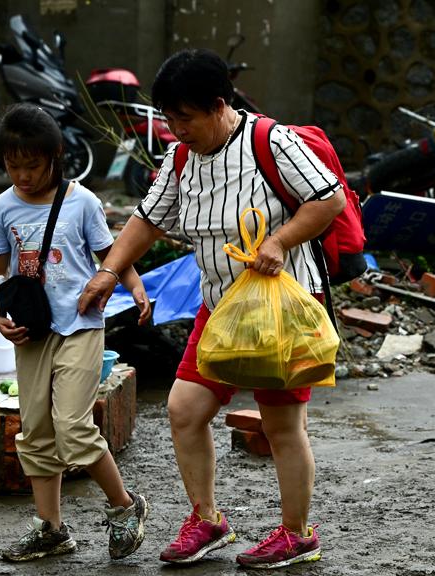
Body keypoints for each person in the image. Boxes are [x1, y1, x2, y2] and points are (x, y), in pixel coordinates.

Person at [78, 49, 345, 569]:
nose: (177, 130)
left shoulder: (271, 141)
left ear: (219, 105)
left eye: (185, 118)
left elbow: (329, 199)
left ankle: (297, 534)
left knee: (281, 425)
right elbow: (147, 219)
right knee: (185, 409)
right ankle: (207, 520)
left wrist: (281, 240)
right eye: (169, 119)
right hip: (220, 305)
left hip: (282, 308)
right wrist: (109, 271)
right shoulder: (181, 159)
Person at [0, 103, 153, 563]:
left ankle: (125, 507)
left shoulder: (82, 202)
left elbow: (112, 254)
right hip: (30, 332)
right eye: (13, 166)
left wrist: (135, 288)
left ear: (56, 156)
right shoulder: (2, 207)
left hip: (79, 325)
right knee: (35, 431)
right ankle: (51, 529)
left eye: (32, 165)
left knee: (73, 428)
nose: (22, 175)